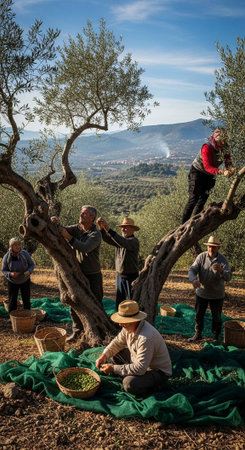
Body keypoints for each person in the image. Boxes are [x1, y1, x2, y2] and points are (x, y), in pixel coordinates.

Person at [96, 300, 172, 396]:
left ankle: (154, 386)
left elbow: (140, 369)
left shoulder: (146, 338)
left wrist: (114, 368)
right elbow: (117, 342)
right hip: (140, 362)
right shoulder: (128, 328)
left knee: (128, 384)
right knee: (114, 354)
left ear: (134, 320)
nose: (120, 324)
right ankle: (130, 372)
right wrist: (104, 355)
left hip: (156, 371)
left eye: (123, 321)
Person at [51, 205, 103, 343]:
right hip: (77, 272)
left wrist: (68, 237)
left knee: (95, 302)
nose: (81, 215)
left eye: (85, 214)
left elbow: (85, 248)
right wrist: (56, 222)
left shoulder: (96, 234)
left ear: (92, 217)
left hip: (93, 275)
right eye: (81, 213)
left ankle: (98, 330)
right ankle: (77, 332)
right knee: (75, 301)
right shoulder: (77, 228)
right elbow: (63, 230)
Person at [182, 128, 234, 224]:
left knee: (202, 200)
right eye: (221, 141)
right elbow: (207, 167)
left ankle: (194, 224)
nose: (223, 143)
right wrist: (222, 172)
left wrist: (232, 169)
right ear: (215, 139)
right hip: (197, 172)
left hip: (210, 175)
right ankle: (183, 226)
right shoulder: (207, 147)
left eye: (225, 140)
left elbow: (228, 163)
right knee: (193, 199)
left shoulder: (226, 148)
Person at [188, 236, 232, 342]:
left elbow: (229, 277)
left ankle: (215, 337)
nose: (211, 249)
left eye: (214, 247)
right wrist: (194, 280)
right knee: (199, 315)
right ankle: (198, 334)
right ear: (207, 247)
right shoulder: (201, 257)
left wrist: (221, 271)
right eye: (209, 247)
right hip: (201, 293)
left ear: (218, 248)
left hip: (217, 295)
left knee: (216, 317)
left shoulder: (222, 260)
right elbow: (192, 269)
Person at [97, 217, 140, 309]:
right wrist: (101, 228)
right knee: (120, 303)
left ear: (132, 229)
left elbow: (123, 242)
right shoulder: (120, 241)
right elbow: (107, 239)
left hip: (131, 279)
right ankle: (119, 322)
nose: (123, 229)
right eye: (122, 227)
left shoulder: (134, 241)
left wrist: (108, 228)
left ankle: (132, 322)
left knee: (132, 304)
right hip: (120, 277)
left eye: (126, 227)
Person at [1, 237, 35, 313]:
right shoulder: (7, 256)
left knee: (26, 300)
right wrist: (10, 274)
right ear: (11, 246)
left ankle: (27, 315)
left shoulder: (25, 254)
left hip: (25, 280)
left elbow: (32, 264)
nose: (17, 246)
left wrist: (29, 271)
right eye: (15, 244)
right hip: (12, 282)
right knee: (12, 301)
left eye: (19, 244)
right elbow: (3, 270)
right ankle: (12, 317)